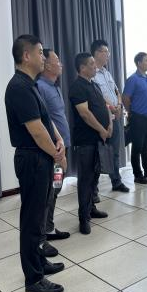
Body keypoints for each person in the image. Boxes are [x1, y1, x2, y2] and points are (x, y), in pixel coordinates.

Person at [4, 34, 66, 292]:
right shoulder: (19, 87)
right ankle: (33, 278)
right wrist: (57, 154)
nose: (44, 57)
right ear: (26, 56)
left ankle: (40, 261)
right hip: (32, 158)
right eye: (40, 52)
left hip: (41, 157)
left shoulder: (31, 85)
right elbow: (36, 130)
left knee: (40, 216)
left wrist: (59, 140)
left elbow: (46, 120)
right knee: (31, 220)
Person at [69, 53, 110, 235]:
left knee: (94, 176)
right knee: (85, 179)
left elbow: (104, 106)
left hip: (98, 139)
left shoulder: (94, 85)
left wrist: (109, 125)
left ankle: (91, 208)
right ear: (82, 68)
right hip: (86, 141)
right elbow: (85, 114)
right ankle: (83, 218)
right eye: (92, 64)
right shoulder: (77, 87)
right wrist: (101, 129)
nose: (95, 66)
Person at [36, 49, 71, 258]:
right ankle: (41, 236)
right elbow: (43, 121)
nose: (60, 64)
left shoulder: (54, 86)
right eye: (57, 60)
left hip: (61, 148)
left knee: (55, 189)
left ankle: (48, 228)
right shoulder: (40, 87)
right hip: (53, 152)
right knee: (48, 192)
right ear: (47, 65)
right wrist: (58, 151)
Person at [91, 39, 130, 194]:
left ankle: (116, 181)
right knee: (97, 154)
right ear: (97, 53)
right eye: (105, 52)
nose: (108, 55)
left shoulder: (106, 72)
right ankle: (93, 189)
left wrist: (119, 105)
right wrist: (111, 108)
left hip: (115, 117)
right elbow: (97, 96)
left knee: (114, 151)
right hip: (102, 120)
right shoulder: (92, 74)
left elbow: (116, 91)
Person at [123, 52, 147, 184]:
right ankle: (137, 174)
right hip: (137, 118)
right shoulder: (133, 79)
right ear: (139, 63)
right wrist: (130, 112)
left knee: (146, 146)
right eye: (146, 60)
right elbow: (125, 98)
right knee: (137, 147)